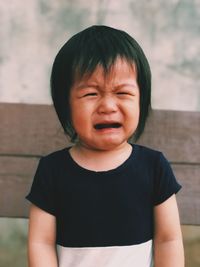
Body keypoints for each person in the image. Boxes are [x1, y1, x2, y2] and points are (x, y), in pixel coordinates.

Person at [26, 25, 184, 267]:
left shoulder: (153, 167)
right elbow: (41, 243)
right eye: (91, 94)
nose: (108, 106)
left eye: (122, 93)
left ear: (142, 99)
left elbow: (168, 240)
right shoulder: (52, 170)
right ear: (66, 104)